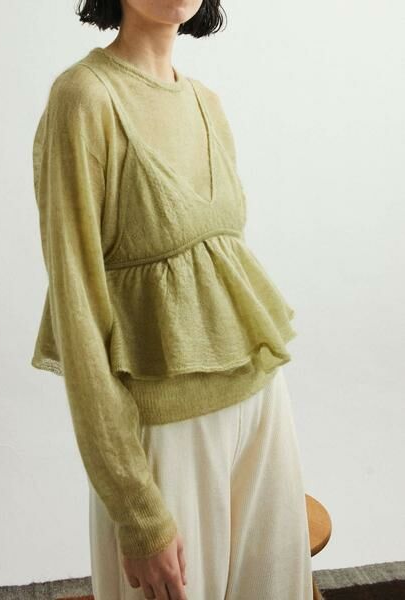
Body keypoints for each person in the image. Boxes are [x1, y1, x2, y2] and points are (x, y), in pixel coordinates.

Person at [30, 1, 314, 598]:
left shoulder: (207, 102)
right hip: (165, 428)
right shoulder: (84, 98)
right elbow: (78, 316)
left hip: (262, 403)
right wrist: (136, 510)